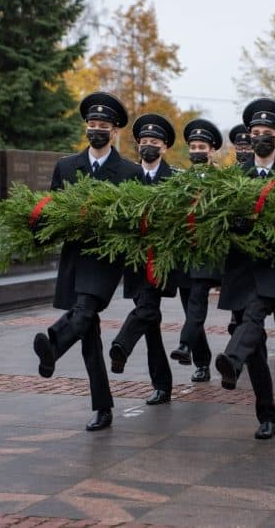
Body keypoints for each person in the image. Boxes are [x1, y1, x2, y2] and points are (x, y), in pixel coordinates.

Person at [32, 92, 143, 432]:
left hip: (105, 260)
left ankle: (53, 344)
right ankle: (103, 408)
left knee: (83, 310)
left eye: (103, 125)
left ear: (114, 131)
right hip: (76, 257)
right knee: (89, 333)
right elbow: (52, 208)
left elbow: (134, 219)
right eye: (92, 124)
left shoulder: (129, 172)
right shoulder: (66, 166)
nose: (97, 129)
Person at [214, 97, 275, 439]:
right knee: (257, 346)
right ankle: (268, 415)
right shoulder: (235, 177)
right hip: (242, 268)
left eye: (267, 133)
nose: (260, 138)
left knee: (252, 317)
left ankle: (230, 359)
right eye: (255, 133)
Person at [109, 114, 180, 406]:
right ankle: (162, 385)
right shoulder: (128, 175)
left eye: (154, 143)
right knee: (150, 320)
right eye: (144, 142)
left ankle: (121, 346)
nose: (147, 147)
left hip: (160, 258)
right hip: (135, 259)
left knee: (149, 307)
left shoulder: (175, 178)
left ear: (164, 148)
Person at [171, 118, 224, 383]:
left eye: (202, 146)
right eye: (193, 146)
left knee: (197, 302)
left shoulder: (223, 180)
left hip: (207, 253)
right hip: (185, 254)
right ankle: (202, 362)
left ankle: (184, 345)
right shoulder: (180, 180)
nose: (197, 151)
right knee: (190, 308)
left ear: (212, 150)